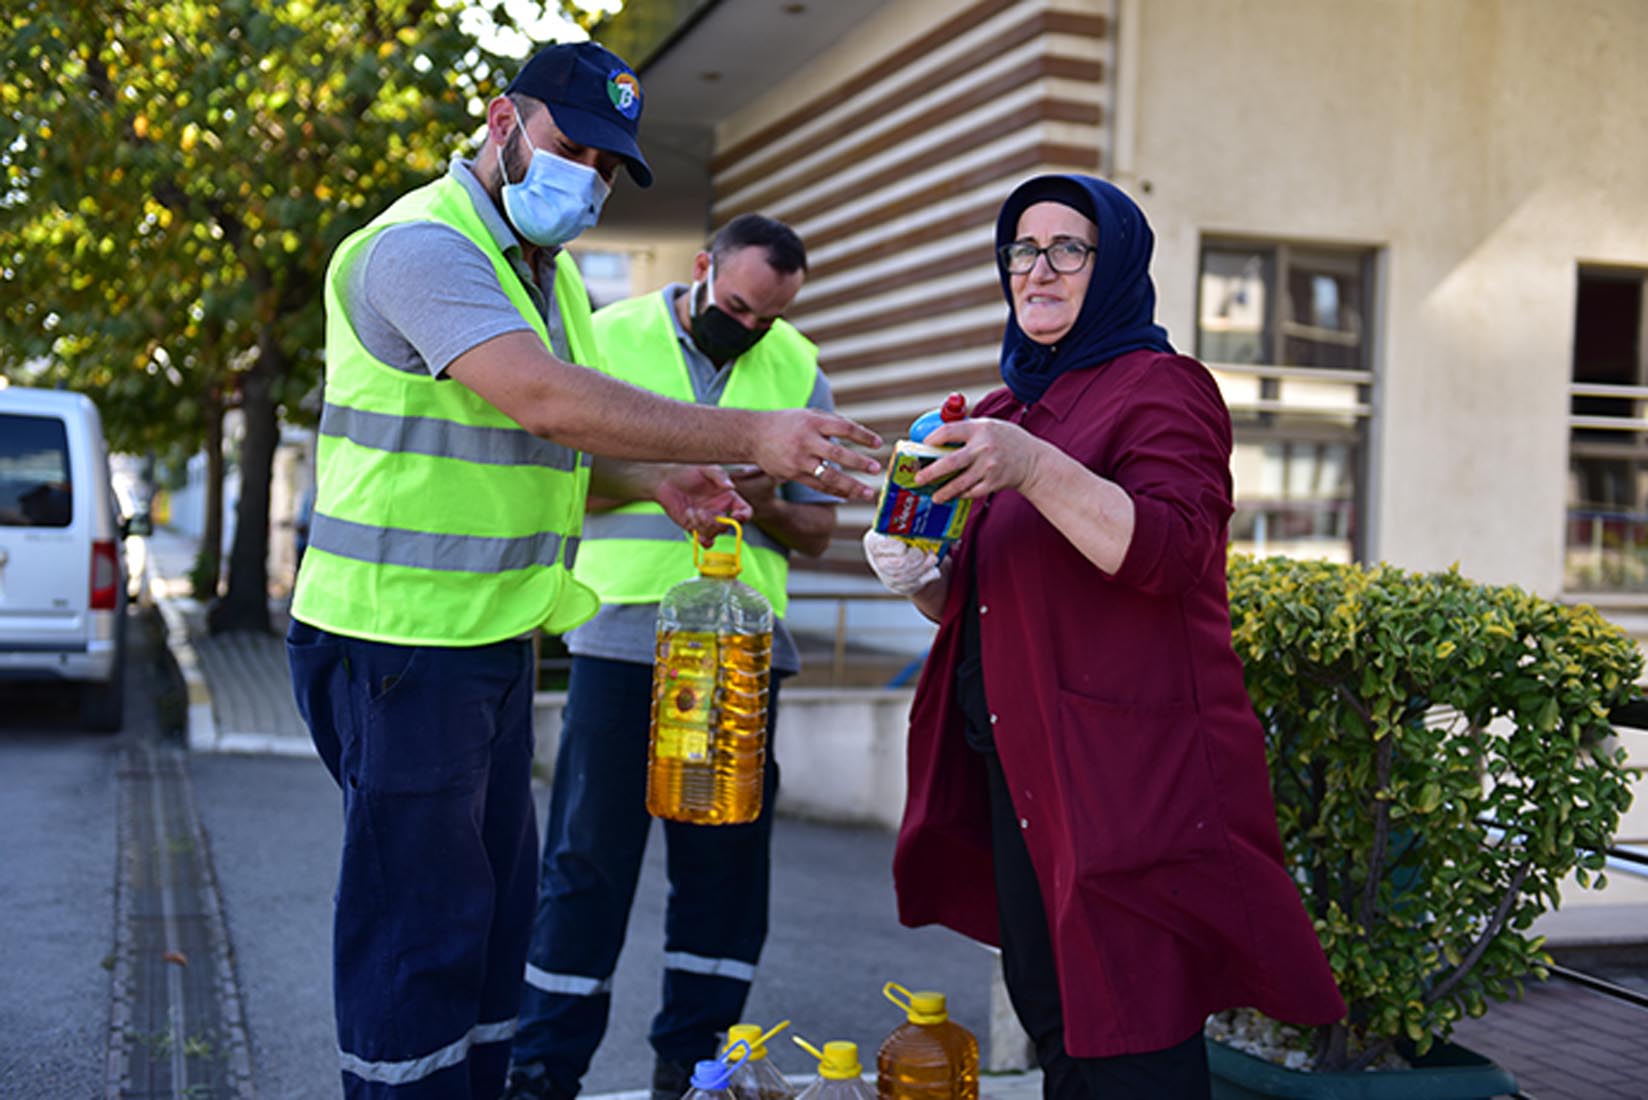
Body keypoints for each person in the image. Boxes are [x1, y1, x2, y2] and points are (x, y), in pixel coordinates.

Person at [286, 41, 879, 1100]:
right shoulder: (424, 247)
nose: (590, 183)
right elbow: (544, 401)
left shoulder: (535, 275)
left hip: (488, 641)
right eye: (575, 150)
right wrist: (744, 435)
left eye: (609, 168)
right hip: (398, 644)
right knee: (421, 938)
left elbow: (550, 448)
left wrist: (658, 482)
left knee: (488, 924)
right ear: (500, 121)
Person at [861, 174, 1344, 1100]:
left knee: (1133, 1032)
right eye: (1022, 250)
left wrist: (1036, 468)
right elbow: (992, 601)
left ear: (1114, 262)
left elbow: (1170, 553)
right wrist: (921, 575)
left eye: (1067, 249)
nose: (1038, 270)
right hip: (1020, 767)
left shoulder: (1165, 389)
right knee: (1059, 1022)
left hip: (1131, 778)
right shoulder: (1002, 414)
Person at [505, 214, 836, 1100]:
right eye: (738, 306)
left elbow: (816, 527)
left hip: (740, 656)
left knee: (724, 875)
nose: (752, 327)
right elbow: (554, 484)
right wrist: (669, 478)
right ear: (703, 269)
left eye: (769, 316)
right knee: (587, 861)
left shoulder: (799, 368)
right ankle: (543, 1070)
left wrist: (755, 498)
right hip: (624, 642)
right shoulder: (605, 340)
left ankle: (696, 1073)